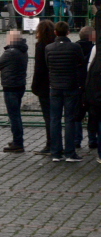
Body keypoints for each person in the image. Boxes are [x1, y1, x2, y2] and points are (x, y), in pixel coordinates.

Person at [45, 21, 86, 162]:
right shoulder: (75, 47)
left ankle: (56, 152)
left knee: (55, 119)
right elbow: (81, 62)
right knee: (69, 119)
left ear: (55, 32)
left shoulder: (48, 48)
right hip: (71, 86)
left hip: (55, 87)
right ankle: (70, 152)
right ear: (68, 32)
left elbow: (47, 64)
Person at [0, 30, 29, 153]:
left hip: (10, 87)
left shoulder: (10, 53)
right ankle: (17, 140)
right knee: (16, 114)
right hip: (20, 85)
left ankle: (18, 142)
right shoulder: (23, 50)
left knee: (14, 116)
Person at [32, 20, 55, 155]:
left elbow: (39, 68)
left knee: (48, 117)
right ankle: (57, 143)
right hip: (57, 84)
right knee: (56, 117)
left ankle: (50, 144)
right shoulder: (55, 44)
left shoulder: (41, 46)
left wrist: (35, 86)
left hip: (44, 87)